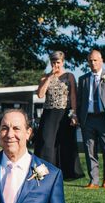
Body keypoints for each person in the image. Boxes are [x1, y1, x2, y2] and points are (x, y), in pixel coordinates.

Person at [33, 51, 84, 180]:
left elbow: (73, 96)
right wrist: (50, 77)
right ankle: (44, 170)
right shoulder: (45, 77)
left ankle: (65, 172)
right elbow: (40, 94)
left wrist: (75, 114)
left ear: (63, 62)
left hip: (64, 112)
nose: (56, 65)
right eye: (53, 62)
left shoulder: (69, 76)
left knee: (64, 142)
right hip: (49, 112)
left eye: (58, 62)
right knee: (46, 141)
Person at [77, 50, 105, 189]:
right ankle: (94, 181)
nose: (93, 63)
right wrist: (77, 116)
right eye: (90, 60)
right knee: (90, 150)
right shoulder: (83, 79)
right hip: (88, 119)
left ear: (101, 60)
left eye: (95, 60)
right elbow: (79, 101)